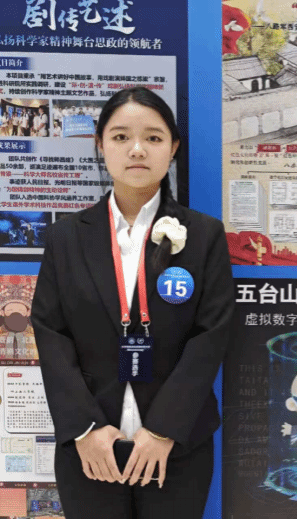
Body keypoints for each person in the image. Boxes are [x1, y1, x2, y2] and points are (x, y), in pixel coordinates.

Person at [32, 86, 234, 519]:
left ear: (173, 148)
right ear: (100, 144)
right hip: (91, 448)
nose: (137, 149)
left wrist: (163, 430)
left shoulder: (203, 235)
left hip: (176, 446)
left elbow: (210, 336)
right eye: (121, 137)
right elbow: (51, 334)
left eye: (153, 138)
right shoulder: (66, 237)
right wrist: (85, 428)